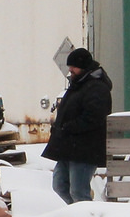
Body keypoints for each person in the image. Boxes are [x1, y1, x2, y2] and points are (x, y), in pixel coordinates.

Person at [44, 47, 112, 204]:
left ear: (84, 66)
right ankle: (76, 213)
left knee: (78, 192)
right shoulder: (79, 84)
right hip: (69, 148)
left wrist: (69, 127)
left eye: (73, 66)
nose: (70, 70)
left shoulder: (96, 87)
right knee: (60, 185)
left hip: (85, 149)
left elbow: (95, 117)